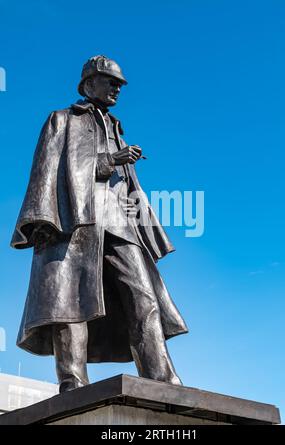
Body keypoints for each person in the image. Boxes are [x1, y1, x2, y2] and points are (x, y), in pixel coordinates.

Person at [11, 55, 188, 393]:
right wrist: (110, 160)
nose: (117, 89)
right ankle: (72, 381)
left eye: (119, 84)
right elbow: (48, 172)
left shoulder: (117, 129)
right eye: (111, 82)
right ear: (88, 83)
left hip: (119, 222)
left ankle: (163, 380)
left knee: (144, 296)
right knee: (69, 301)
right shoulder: (61, 120)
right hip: (73, 222)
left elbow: (128, 188)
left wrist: (145, 224)